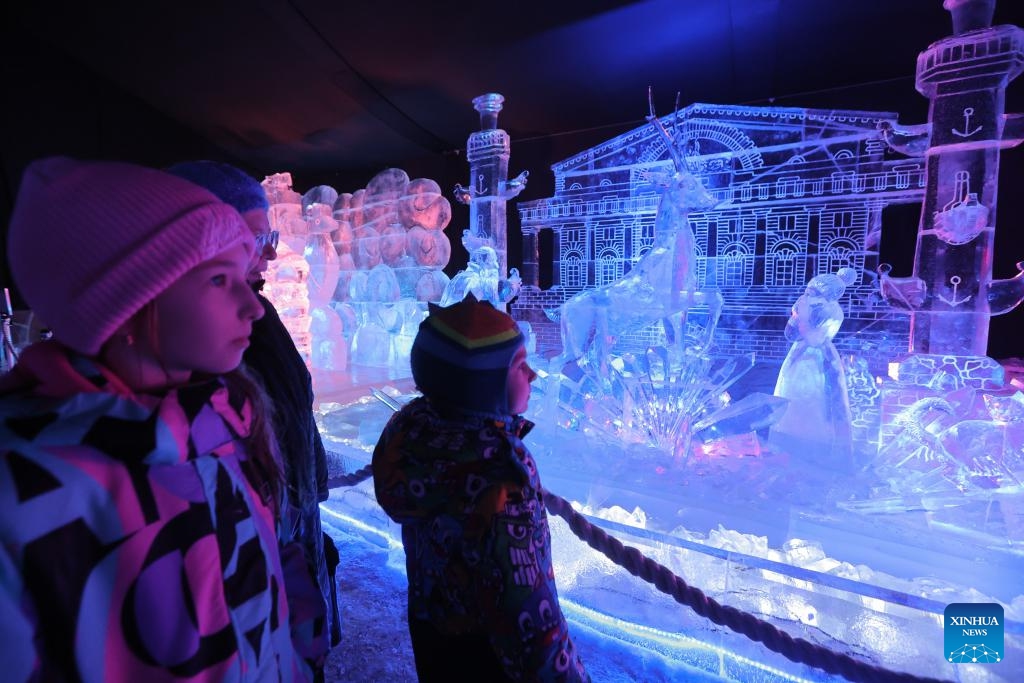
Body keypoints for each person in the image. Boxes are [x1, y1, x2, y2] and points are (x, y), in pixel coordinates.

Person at [0, 157, 323, 681]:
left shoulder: (229, 420)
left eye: (243, 275)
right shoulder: (24, 486)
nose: (254, 306)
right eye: (220, 280)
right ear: (127, 304)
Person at [166, 161, 342, 663]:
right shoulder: (196, 342)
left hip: (288, 538)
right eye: (249, 242)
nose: (264, 256)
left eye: (267, 241)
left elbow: (292, 409)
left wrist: (311, 494)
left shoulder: (258, 318)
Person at [373, 295, 590, 682]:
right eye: (521, 365)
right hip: (492, 656)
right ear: (484, 386)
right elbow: (525, 602)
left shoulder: (412, 429)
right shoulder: (502, 473)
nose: (534, 376)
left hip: (433, 630)